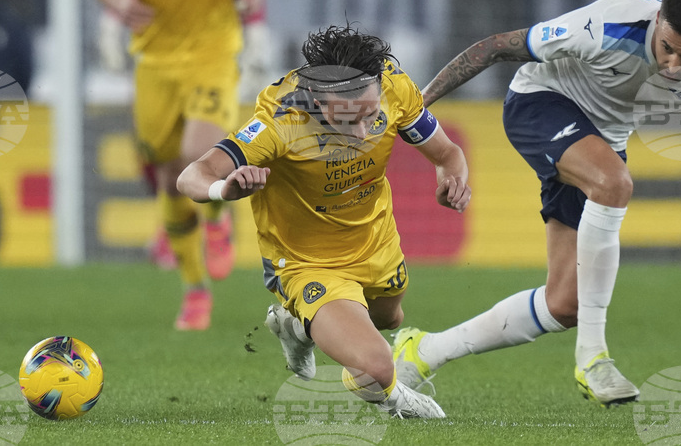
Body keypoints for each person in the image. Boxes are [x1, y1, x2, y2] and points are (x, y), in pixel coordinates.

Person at [391, 0, 681, 408]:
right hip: (541, 102)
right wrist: (414, 109)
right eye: (667, 48)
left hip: (602, 141)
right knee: (615, 183)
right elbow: (495, 47)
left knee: (565, 304)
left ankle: (424, 351)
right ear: (657, 22)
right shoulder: (609, 24)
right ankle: (594, 358)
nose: (672, 65)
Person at [177, 25, 471, 418]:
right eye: (348, 120)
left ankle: (296, 328)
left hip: (375, 241)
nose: (363, 133)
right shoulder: (280, 122)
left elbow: (448, 154)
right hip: (307, 262)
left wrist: (451, 181)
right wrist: (223, 189)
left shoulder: (394, 88)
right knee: (376, 368)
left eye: (371, 117)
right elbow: (192, 176)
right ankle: (395, 398)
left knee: (390, 318)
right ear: (317, 100)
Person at [84, 0, 270, 330]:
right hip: (155, 58)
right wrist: (115, 3)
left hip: (215, 49)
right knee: (169, 180)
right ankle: (195, 290)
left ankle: (217, 217)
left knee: (197, 152)